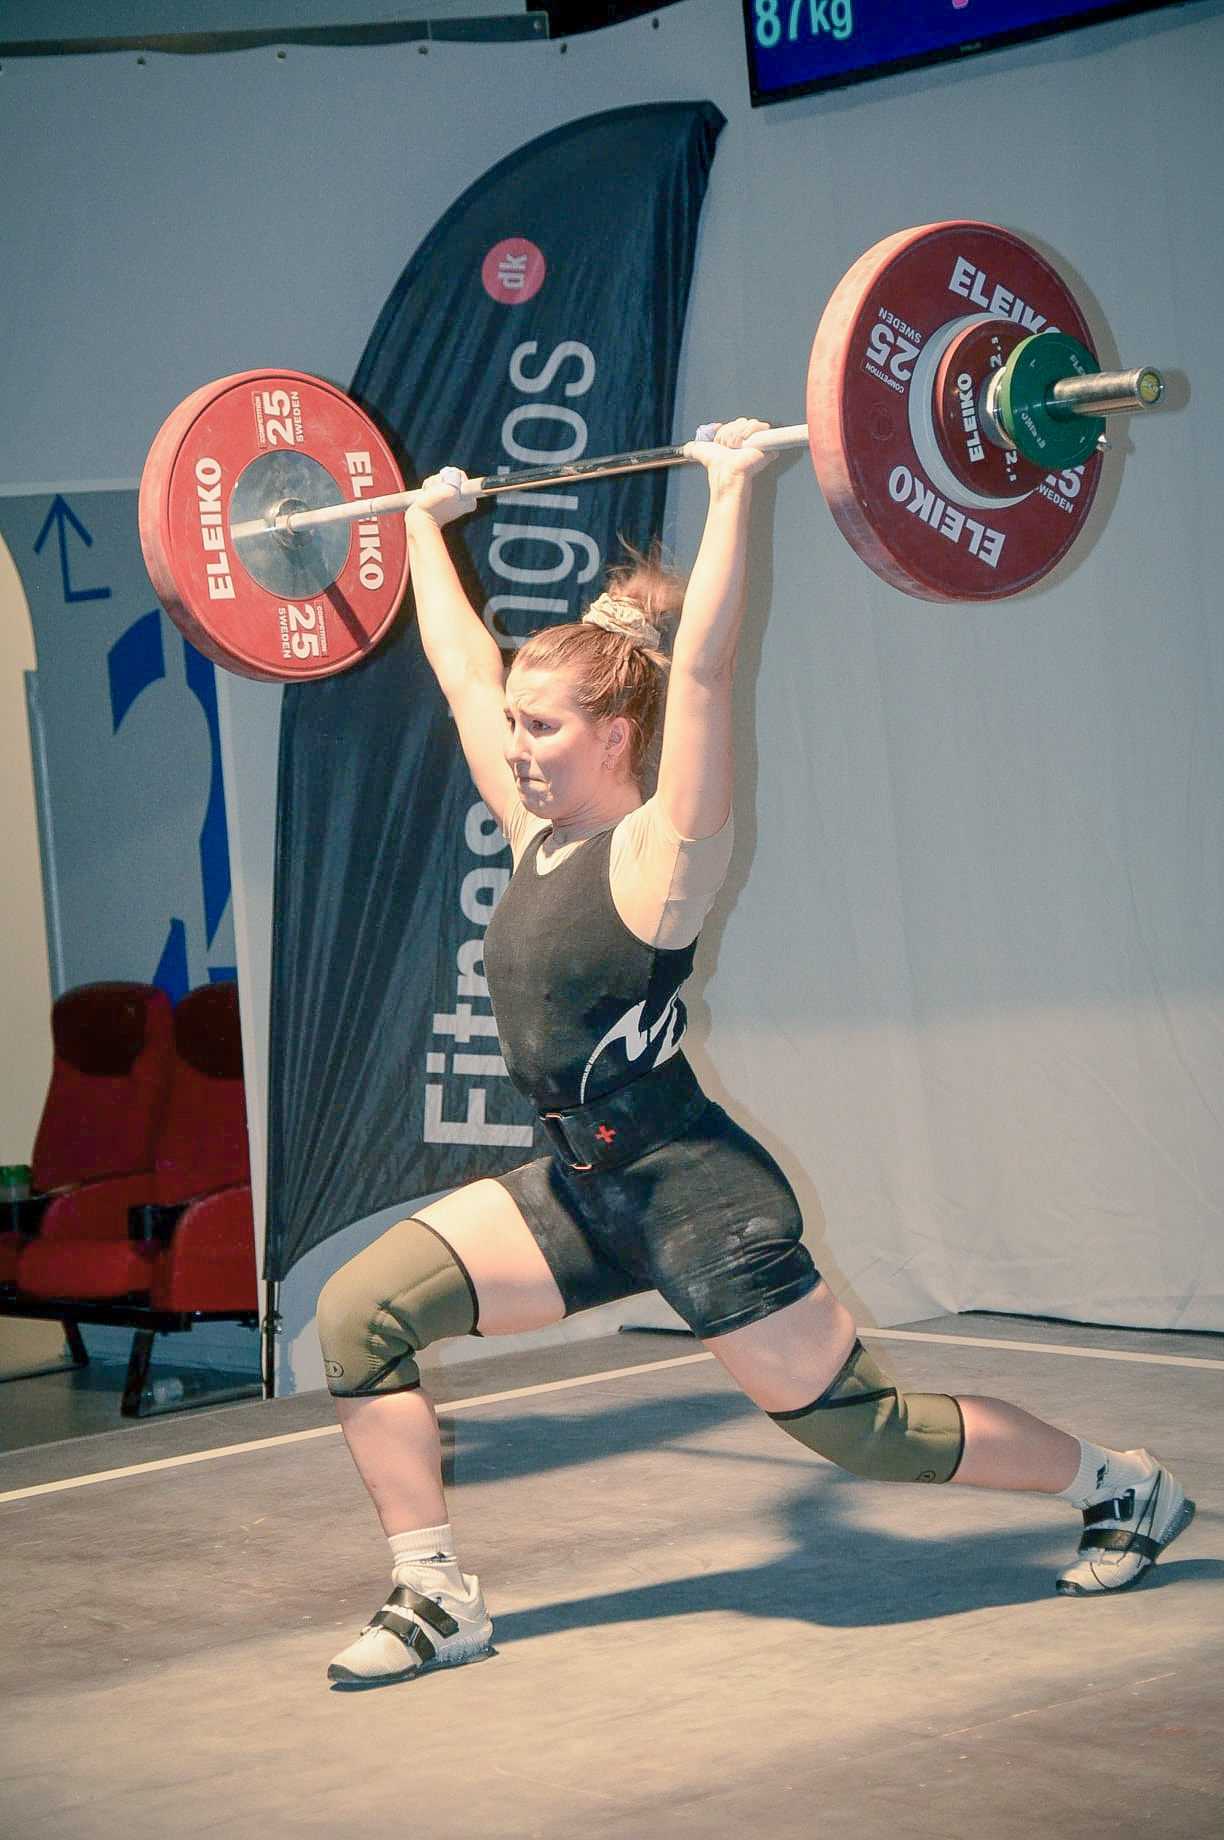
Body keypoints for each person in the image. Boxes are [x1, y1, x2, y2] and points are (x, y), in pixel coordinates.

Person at [317, 420, 1194, 1689]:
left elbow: (708, 671)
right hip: (581, 1187)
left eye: (542, 727)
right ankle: (436, 1592)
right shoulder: (535, 831)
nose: (514, 745)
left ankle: (1123, 1484)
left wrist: (733, 490)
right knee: (361, 1314)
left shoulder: (666, 856)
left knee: (870, 1433)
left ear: (617, 733)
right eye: (515, 723)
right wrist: (418, 533)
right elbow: (460, 673)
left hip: (695, 1196)